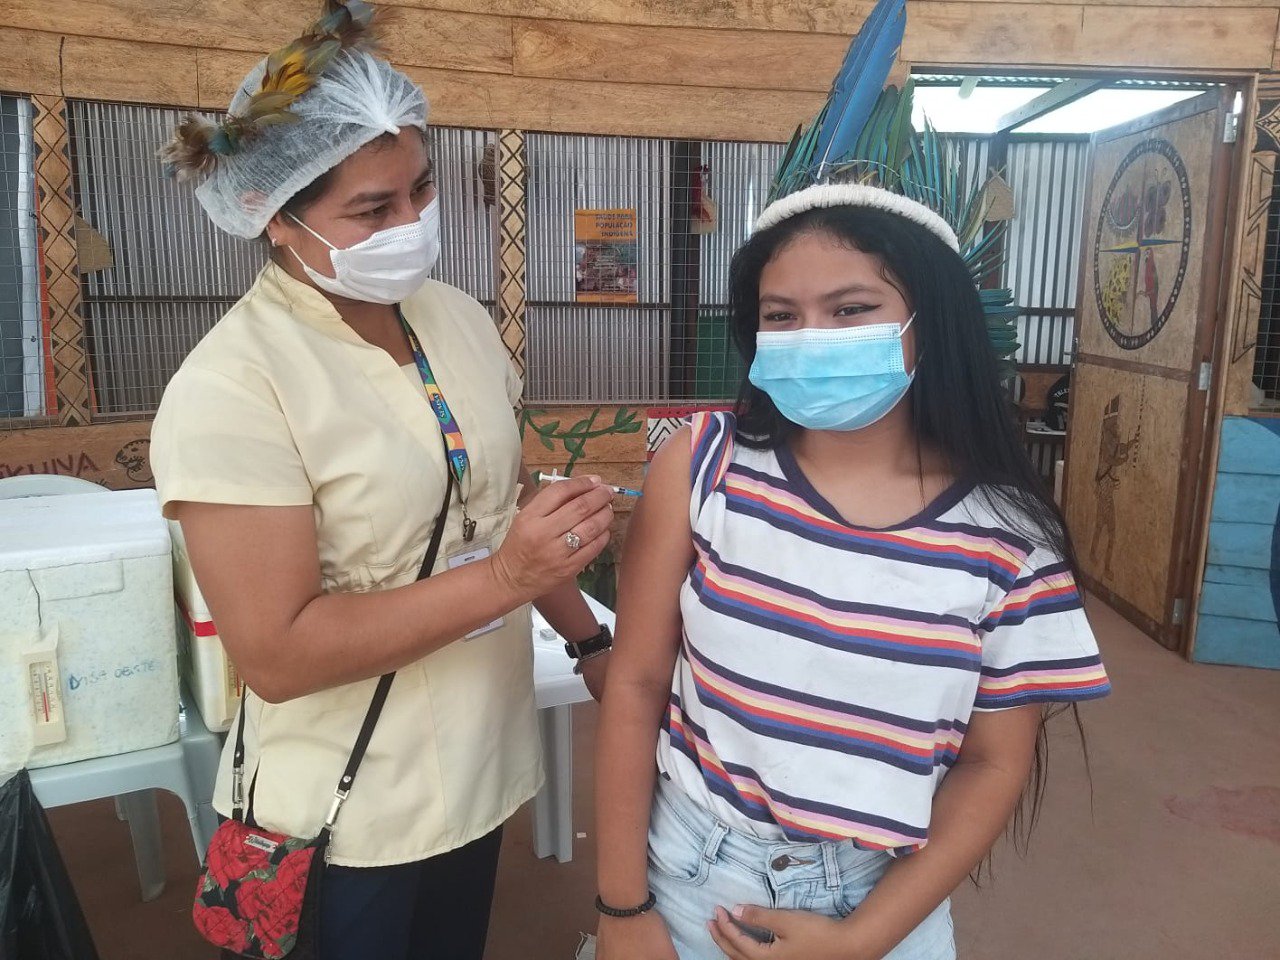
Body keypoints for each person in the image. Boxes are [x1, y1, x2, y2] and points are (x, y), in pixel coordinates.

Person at [151, 3, 616, 957]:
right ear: (275, 217)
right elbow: (277, 655)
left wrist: (587, 639)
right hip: (344, 808)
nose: (411, 224)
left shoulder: (456, 321)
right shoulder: (233, 387)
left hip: (478, 765)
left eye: (421, 189)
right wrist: (508, 579)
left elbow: (493, 509)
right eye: (372, 209)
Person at [593, 183, 1111, 960]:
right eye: (780, 315)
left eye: (850, 309)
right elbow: (636, 685)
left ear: (929, 321)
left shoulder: (1011, 537)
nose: (811, 337)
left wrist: (862, 939)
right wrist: (621, 906)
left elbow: (994, 761)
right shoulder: (702, 466)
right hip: (691, 883)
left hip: (882, 902)